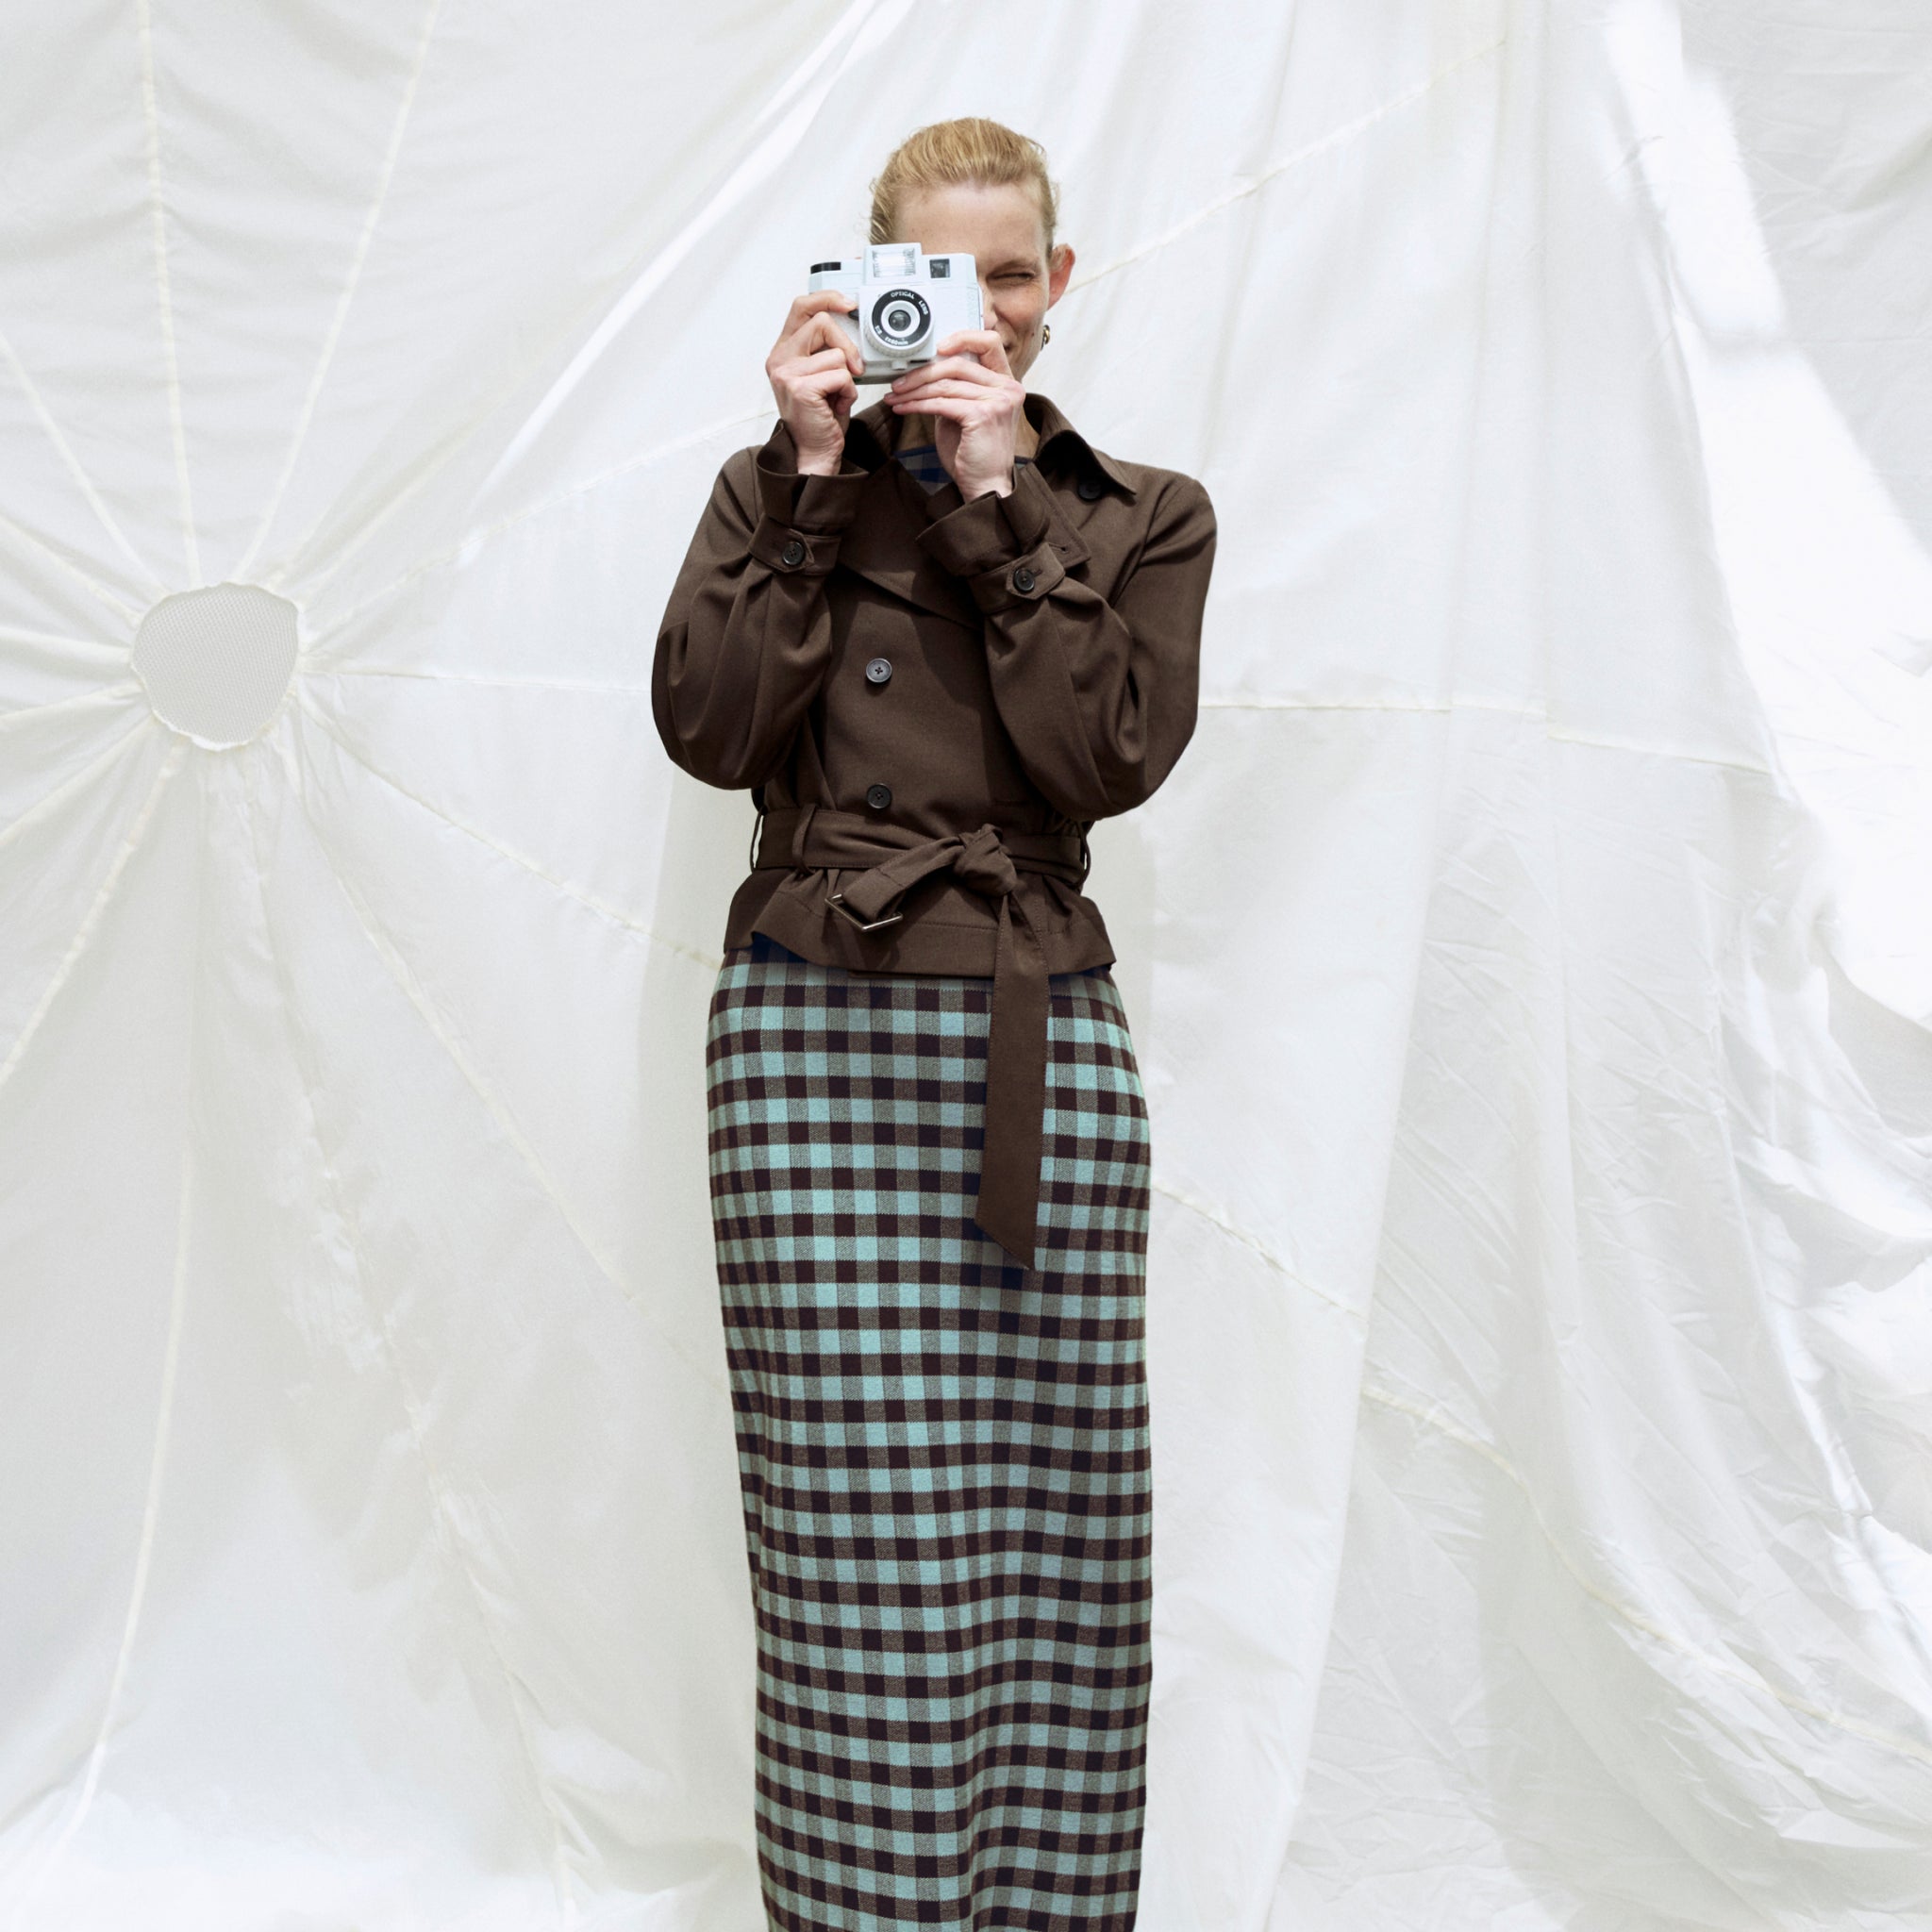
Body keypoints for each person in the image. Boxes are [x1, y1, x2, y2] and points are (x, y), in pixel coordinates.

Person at [653, 116, 1216, 1932]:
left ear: (1061, 281)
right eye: (933, 277)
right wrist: (818, 474)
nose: (975, 313)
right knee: (851, 1545)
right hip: (811, 1031)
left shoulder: (1139, 512)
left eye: (1009, 275)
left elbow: (1103, 759)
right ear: (859, 282)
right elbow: (712, 732)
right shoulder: (778, 489)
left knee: (1057, 1523)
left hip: (1033, 1027)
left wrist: (993, 506)